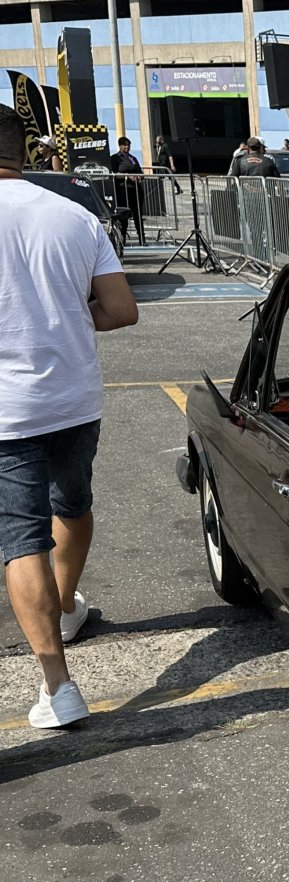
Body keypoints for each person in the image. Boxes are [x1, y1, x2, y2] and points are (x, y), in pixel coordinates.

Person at [0, 104, 139, 729]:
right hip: (75, 397)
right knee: (72, 506)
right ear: (25, 152)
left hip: (7, 409)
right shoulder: (76, 215)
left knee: (20, 538)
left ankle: (58, 686)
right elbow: (121, 309)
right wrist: (70, 316)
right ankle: (66, 608)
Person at [109, 136, 146, 245]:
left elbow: (140, 172)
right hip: (123, 190)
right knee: (123, 216)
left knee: (138, 214)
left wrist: (139, 177)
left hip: (135, 189)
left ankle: (142, 238)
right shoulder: (115, 158)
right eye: (125, 145)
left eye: (128, 145)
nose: (127, 147)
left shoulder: (133, 158)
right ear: (120, 146)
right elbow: (114, 174)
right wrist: (127, 176)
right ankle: (122, 238)